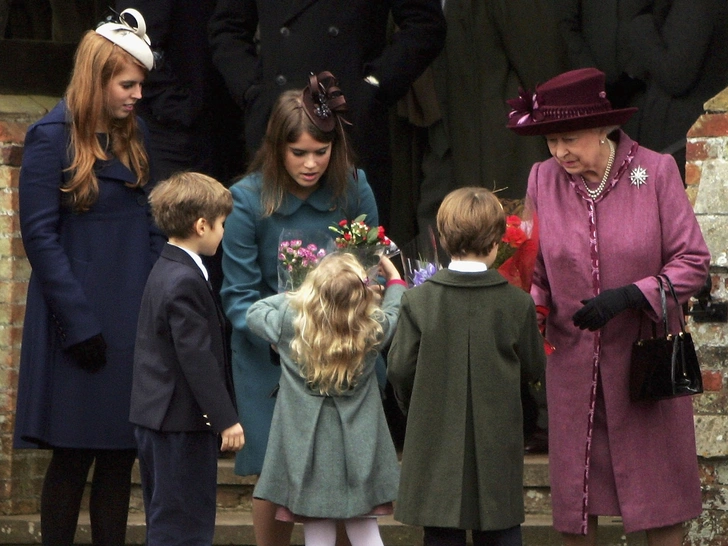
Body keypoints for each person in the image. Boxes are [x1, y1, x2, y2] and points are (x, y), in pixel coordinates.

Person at [506, 67, 710, 545]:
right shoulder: (543, 179)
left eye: (569, 138)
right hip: (574, 366)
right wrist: (528, 316)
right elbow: (531, 271)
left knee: (661, 501)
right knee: (577, 503)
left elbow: (693, 261)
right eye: (551, 141)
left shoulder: (655, 171)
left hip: (645, 364)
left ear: (603, 128)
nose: (559, 152)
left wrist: (631, 295)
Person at [13, 9, 163, 545]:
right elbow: (40, 238)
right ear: (97, 79)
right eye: (128, 83)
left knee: (120, 462)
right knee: (72, 460)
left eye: (141, 84)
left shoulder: (134, 133)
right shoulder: (50, 136)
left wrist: (151, 307)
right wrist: (78, 325)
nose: (137, 95)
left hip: (129, 321)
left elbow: (151, 226)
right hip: (73, 325)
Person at [220, 72, 379, 546]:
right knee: (277, 472)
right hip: (271, 358)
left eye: (321, 151)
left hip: (346, 352)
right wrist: (293, 332)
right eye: (298, 153)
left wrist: (349, 330)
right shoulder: (247, 199)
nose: (311, 164)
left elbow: (372, 271)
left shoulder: (354, 187)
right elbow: (239, 298)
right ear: (276, 148)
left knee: (348, 474)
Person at [387, 187, 546, 546]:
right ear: (498, 241)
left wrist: (416, 407)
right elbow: (535, 369)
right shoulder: (517, 304)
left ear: (442, 239)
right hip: (499, 437)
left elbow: (398, 370)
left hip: (435, 433)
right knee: (501, 528)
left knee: (442, 530)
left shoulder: (418, 300)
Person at [207, 0, 446, 229]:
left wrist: (374, 85)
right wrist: (253, 91)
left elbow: (425, 24)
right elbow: (227, 29)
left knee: (355, 255)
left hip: (349, 122)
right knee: (272, 249)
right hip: (277, 120)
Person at [246, 252, 405, 546]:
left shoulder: (288, 322)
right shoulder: (373, 328)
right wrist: (394, 279)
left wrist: (302, 295)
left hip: (307, 452)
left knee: (317, 533)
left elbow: (255, 311)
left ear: (313, 291)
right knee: (365, 531)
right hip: (360, 453)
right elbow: (395, 309)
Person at [130, 172, 245, 545]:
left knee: (169, 519)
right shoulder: (184, 279)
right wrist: (226, 419)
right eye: (222, 224)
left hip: (159, 417)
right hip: (179, 421)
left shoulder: (166, 268)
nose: (223, 232)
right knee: (184, 527)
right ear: (201, 225)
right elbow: (196, 357)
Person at [621, 0, 728, 181]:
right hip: (690, 138)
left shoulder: (697, 5)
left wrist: (639, 22)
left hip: (682, 143)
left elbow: (675, 76)